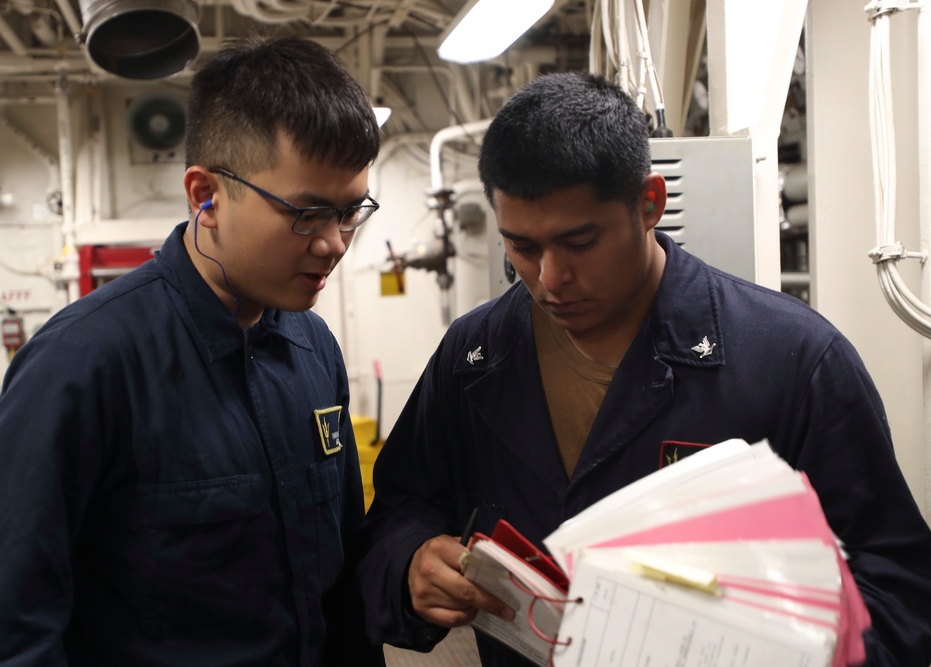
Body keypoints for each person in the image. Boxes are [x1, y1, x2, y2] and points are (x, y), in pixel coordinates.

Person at [357, 71, 931, 667]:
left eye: (580, 243)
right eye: (522, 247)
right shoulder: (476, 357)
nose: (550, 279)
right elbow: (401, 508)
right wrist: (412, 561)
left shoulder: (790, 360)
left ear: (649, 203)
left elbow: (896, 586)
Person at [0, 34, 385, 666]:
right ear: (205, 197)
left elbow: (337, 594)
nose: (335, 244)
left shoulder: (313, 350)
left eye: (349, 212)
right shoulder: (81, 366)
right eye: (306, 214)